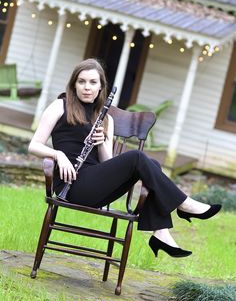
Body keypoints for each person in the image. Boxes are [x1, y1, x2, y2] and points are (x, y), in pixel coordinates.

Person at [28, 58, 221, 258]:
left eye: (93, 82)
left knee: (151, 163)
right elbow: (33, 145)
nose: (87, 87)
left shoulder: (106, 119)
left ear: (101, 87)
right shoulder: (60, 106)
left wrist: (101, 141)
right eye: (82, 81)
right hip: (71, 186)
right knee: (138, 157)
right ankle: (183, 205)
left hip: (97, 188)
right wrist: (58, 154)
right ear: (73, 84)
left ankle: (161, 232)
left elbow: (107, 163)